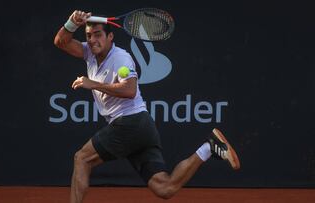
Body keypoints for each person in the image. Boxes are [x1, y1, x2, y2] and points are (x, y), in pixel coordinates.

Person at [54, 10, 240, 203]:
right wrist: (72, 23)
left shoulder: (121, 58)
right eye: (89, 36)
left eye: (98, 34)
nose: (92, 40)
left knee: (82, 159)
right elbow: (61, 42)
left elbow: (130, 90)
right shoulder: (89, 53)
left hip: (130, 122)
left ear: (110, 37)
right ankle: (209, 148)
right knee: (164, 188)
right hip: (143, 127)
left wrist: (94, 84)